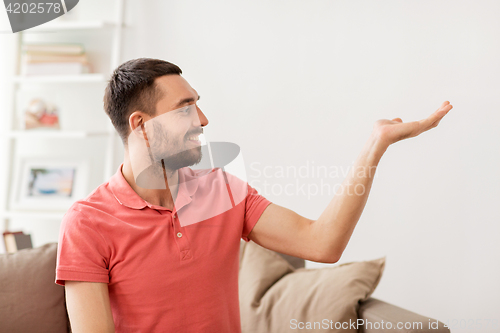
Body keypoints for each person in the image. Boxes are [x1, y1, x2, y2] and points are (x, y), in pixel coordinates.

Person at [55, 58, 452, 333]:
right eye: (185, 108)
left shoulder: (219, 190)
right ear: (140, 125)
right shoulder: (88, 222)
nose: (204, 120)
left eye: (198, 103)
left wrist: (375, 145)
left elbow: (323, 243)